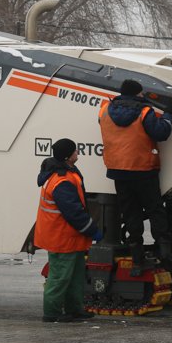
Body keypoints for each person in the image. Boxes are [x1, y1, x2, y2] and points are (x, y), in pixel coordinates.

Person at [99, 78, 172, 275]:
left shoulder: (105, 109)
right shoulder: (144, 112)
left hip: (118, 171)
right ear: (138, 94)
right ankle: (165, 252)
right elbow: (161, 133)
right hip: (143, 170)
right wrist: (168, 115)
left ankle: (137, 261)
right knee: (155, 209)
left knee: (130, 213)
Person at [34, 138, 102, 323]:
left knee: (74, 276)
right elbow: (73, 212)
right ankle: (52, 313)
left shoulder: (65, 172)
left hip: (70, 237)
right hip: (61, 237)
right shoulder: (61, 180)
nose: (78, 153)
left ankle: (75, 309)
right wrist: (92, 230)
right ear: (67, 156)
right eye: (75, 151)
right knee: (60, 278)